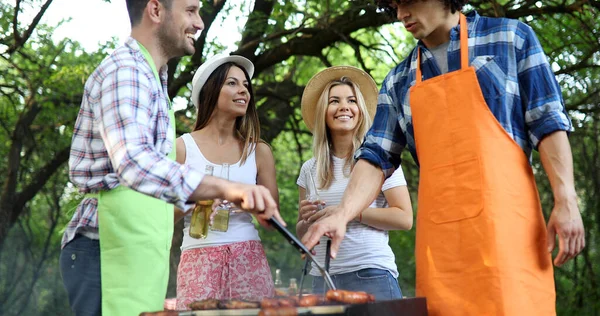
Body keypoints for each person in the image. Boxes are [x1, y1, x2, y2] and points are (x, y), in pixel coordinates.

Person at [301, 1, 586, 315]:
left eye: (407, 1)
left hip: (510, 239)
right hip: (443, 252)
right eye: (393, 5)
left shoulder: (512, 39)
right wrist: (342, 212)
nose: (400, 14)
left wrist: (566, 199)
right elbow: (375, 157)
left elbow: (548, 123)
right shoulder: (398, 81)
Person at [59, 1, 283, 315]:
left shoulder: (152, 80)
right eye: (191, 10)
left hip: (133, 252)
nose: (200, 22)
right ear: (155, 10)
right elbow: (133, 162)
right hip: (104, 248)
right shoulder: (127, 72)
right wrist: (230, 188)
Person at [296, 66, 413, 300]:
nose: (344, 107)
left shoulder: (380, 159)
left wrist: (348, 212)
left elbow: (404, 218)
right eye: (334, 101)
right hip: (322, 278)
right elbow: (302, 233)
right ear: (323, 112)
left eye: (351, 100)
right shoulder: (310, 168)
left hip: (371, 274)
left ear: (360, 110)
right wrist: (306, 220)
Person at [174, 54, 277, 310]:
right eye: (232, 83)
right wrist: (197, 199)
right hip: (197, 259)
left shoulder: (259, 151)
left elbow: (272, 219)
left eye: (245, 85)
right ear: (210, 89)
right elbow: (163, 215)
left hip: (248, 257)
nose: (243, 90)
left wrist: (249, 203)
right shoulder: (181, 148)